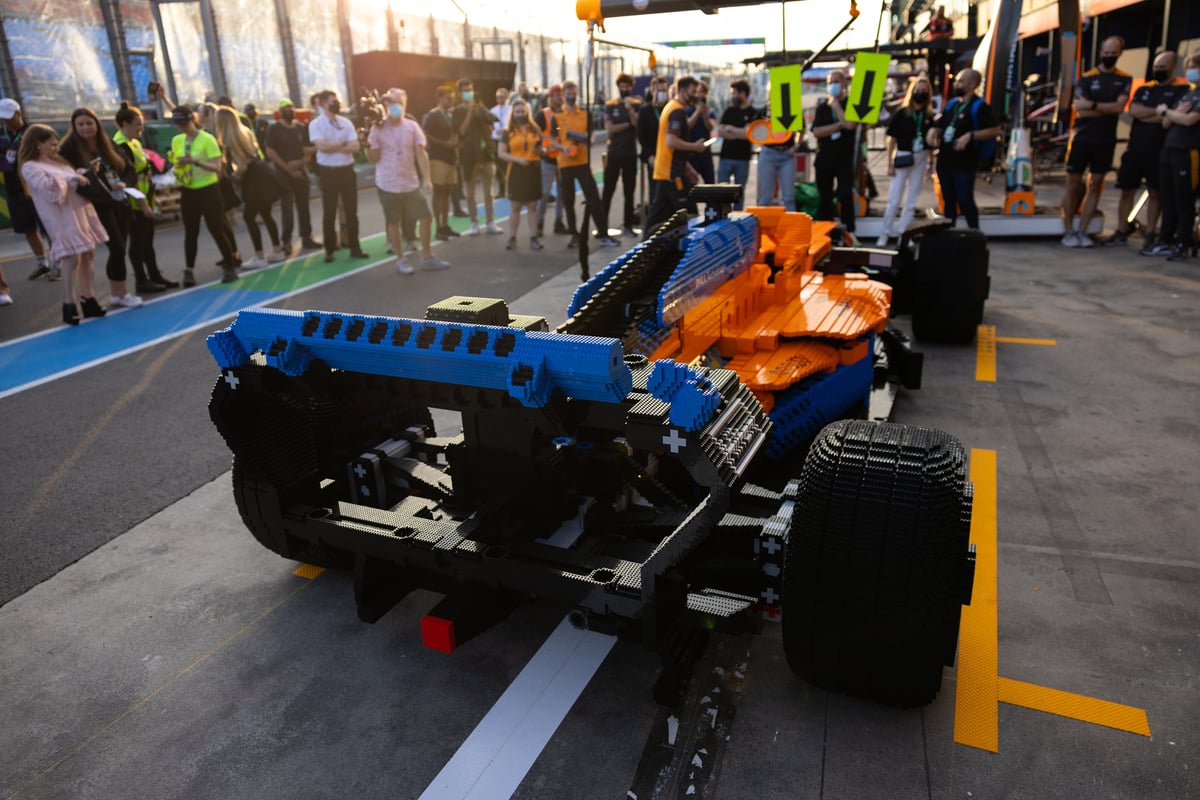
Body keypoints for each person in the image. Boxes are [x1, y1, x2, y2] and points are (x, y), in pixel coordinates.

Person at [17, 124, 108, 324]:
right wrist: (72, 177)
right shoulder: (30, 166)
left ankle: (88, 297)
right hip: (61, 217)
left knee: (87, 253)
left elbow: (72, 180)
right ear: (37, 145)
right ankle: (69, 303)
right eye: (51, 144)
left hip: (79, 211)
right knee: (71, 258)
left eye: (56, 143)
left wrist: (86, 173)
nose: (55, 147)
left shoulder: (59, 162)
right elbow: (48, 189)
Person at [58, 107, 143, 308]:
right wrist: (93, 177)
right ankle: (121, 293)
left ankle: (117, 293)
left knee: (120, 246)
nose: (86, 128)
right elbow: (73, 182)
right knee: (117, 246)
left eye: (89, 123)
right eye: (81, 124)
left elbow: (129, 169)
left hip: (119, 199)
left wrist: (123, 182)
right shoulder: (69, 149)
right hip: (96, 205)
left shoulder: (107, 143)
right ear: (74, 127)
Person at [1106, 51, 1186, 247]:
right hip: (1135, 148)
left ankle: (1150, 232)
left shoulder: (1181, 89)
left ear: (1173, 67)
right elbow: (1134, 111)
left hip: (1159, 150)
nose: (1158, 70)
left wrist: (1154, 114)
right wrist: (1159, 111)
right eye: (1156, 67)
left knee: (1155, 193)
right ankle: (1122, 230)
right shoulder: (1144, 89)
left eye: (1163, 67)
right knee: (1126, 190)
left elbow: (1169, 118)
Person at [366, 88, 449, 274]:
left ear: (405, 104)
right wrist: (366, 144)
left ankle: (427, 257)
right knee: (393, 222)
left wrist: (427, 179)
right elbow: (373, 157)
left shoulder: (412, 126)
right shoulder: (377, 127)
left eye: (400, 103)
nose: (396, 107)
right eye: (392, 103)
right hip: (387, 183)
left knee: (426, 217)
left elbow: (421, 153)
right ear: (386, 104)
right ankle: (400, 259)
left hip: (410, 182)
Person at [1061, 36, 1131, 247]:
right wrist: (1105, 109)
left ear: (1120, 53)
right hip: (1081, 138)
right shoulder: (1086, 77)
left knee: (1096, 184)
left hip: (1105, 140)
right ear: (1101, 51)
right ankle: (1068, 231)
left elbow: (1119, 108)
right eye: (1106, 52)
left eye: (1113, 53)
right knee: (1073, 184)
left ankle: (1083, 231)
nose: (1109, 56)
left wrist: (1092, 105)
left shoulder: (1125, 78)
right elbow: (1080, 111)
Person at [168, 104, 240, 285]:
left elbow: (217, 168)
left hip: (208, 189)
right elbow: (175, 163)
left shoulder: (207, 139)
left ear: (192, 120)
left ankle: (230, 266)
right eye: (178, 124)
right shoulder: (177, 140)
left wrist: (195, 161)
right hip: (188, 190)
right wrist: (179, 166)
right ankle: (189, 270)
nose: (181, 127)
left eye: (184, 123)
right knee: (190, 232)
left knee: (216, 229)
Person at [113, 102, 177, 291]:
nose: (141, 128)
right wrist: (143, 205)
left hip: (145, 196)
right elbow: (130, 178)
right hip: (133, 203)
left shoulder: (135, 142)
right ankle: (141, 280)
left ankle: (155, 275)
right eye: (137, 124)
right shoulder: (121, 146)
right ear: (125, 124)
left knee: (147, 240)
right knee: (138, 242)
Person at [1143, 53, 1200, 262]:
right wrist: (1172, 113)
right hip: (1169, 149)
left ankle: (1183, 242)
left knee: (1184, 200)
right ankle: (1164, 240)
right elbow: (1166, 122)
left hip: (1189, 152)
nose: (1191, 71)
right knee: (1168, 198)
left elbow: (1188, 120)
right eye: (1189, 67)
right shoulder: (1188, 94)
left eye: (1195, 66)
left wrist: (1168, 111)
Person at [929, 68, 1001, 230]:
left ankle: (974, 234)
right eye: (957, 81)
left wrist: (971, 135)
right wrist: (934, 130)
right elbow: (943, 125)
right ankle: (949, 235)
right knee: (948, 201)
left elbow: (995, 130)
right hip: (945, 161)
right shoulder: (953, 104)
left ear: (973, 84)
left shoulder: (979, 106)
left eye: (961, 81)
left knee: (965, 199)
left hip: (964, 163)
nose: (957, 84)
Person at [551, 80, 619, 249]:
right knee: (569, 201)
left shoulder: (585, 113)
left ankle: (603, 233)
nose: (571, 96)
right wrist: (563, 147)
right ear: (563, 95)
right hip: (565, 163)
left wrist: (589, 140)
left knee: (594, 198)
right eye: (568, 93)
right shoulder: (558, 116)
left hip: (583, 162)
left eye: (574, 93)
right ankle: (574, 235)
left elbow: (591, 134)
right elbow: (554, 138)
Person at [216, 106, 286, 269]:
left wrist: (235, 177)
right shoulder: (244, 132)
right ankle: (277, 250)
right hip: (261, 173)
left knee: (249, 216)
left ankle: (259, 256)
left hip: (253, 178)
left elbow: (242, 165)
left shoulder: (229, 138)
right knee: (266, 214)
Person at [309, 90, 369, 263]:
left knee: (351, 211)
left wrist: (335, 145)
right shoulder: (316, 124)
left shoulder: (346, 122)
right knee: (329, 211)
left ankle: (355, 246)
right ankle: (329, 249)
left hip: (346, 170)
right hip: (328, 172)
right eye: (330, 101)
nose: (335, 104)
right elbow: (321, 146)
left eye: (336, 100)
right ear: (321, 104)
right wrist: (343, 143)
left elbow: (355, 146)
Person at [878, 75, 935, 245]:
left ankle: (904, 232)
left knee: (912, 198)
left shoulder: (929, 114)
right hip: (903, 155)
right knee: (894, 198)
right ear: (912, 92)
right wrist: (889, 162)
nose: (920, 94)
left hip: (921, 156)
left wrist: (931, 164)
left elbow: (931, 143)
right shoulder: (902, 112)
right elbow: (891, 139)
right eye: (917, 91)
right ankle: (885, 232)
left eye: (924, 91)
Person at [645, 76, 707, 235]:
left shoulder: (671, 107)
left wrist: (689, 168)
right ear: (682, 90)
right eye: (692, 92)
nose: (695, 96)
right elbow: (671, 141)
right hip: (672, 172)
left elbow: (675, 147)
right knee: (689, 211)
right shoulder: (677, 111)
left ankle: (644, 246)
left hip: (667, 169)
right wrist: (695, 147)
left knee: (657, 213)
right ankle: (695, 247)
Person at [0, 99, 53, 281]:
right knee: (28, 229)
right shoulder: (1, 134)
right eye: (3, 118)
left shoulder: (33, 132)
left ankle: (58, 262)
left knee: (48, 226)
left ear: (18, 114)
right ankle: (42, 264)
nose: (6, 121)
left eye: (9, 117)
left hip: (36, 188)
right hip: (14, 188)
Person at [265, 98, 322, 254]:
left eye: (291, 107)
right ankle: (287, 241)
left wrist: (300, 163)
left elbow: (306, 151)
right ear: (280, 112)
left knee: (303, 207)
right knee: (287, 208)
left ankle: (306, 238)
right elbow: (270, 151)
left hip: (300, 174)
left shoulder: (300, 128)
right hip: (283, 175)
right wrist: (287, 168)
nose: (288, 110)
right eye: (285, 108)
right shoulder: (274, 129)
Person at [810, 69, 858, 230]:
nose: (833, 85)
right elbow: (817, 131)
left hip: (844, 159)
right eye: (830, 83)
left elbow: (851, 125)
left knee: (845, 195)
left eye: (836, 82)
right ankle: (827, 230)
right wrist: (838, 125)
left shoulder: (850, 104)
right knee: (825, 197)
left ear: (844, 83)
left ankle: (849, 230)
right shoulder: (822, 107)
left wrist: (837, 108)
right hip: (824, 158)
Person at [453, 78, 502, 236]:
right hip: (468, 157)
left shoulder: (480, 106)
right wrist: (470, 112)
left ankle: (490, 222)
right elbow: (461, 131)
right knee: (470, 193)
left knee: (489, 192)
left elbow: (493, 119)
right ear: (460, 93)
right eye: (465, 90)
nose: (468, 93)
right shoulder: (458, 111)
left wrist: (480, 109)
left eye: (470, 89)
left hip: (486, 154)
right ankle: (474, 222)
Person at [497, 97, 544, 251]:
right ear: (513, 113)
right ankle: (512, 237)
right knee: (515, 205)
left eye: (522, 111)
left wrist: (541, 151)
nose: (520, 114)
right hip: (516, 170)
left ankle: (534, 237)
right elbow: (501, 153)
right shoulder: (508, 131)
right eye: (517, 111)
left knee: (532, 205)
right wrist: (518, 159)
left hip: (533, 169)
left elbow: (542, 148)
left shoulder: (535, 129)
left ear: (527, 112)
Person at [602, 72, 642, 237]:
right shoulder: (610, 104)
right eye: (621, 86)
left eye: (626, 86)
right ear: (618, 87)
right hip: (613, 153)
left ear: (631, 87)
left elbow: (638, 124)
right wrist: (627, 124)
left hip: (630, 153)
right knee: (608, 190)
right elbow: (610, 128)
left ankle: (628, 225)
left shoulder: (637, 104)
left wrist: (629, 109)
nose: (624, 89)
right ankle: (602, 225)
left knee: (629, 191)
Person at [422, 86, 461, 241]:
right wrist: (444, 144)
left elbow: (455, 133)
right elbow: (425, 133)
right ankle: (438, 227)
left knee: (447, 192)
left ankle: (445, 225)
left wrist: (455, 142)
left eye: (452, 98)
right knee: (438, 192)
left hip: (450, 157)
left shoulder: (449, 115)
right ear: (440, 98)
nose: (451, 100)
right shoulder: (433, 115)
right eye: (448, 97)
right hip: (437, 157)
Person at [717, 79, 757, 209]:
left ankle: (737, 219)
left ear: (743, 94)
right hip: (725, 158)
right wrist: (740, 132)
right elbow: (720, 131)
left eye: (734, 93)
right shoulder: (729, 111)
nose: (732, 96)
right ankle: (721, 218)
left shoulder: (753, 113)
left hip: (742, 159)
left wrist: (731, 129)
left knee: (738, 194)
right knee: (721, 192)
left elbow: (748, 134)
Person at [536, 84, 567, 238]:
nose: (559, 97)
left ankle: (559, 222)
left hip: (563, 159)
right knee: (544, 193)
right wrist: (539, 149)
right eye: (556, 95)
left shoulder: (566, 113)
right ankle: (539, 223)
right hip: (548, 159)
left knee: (562, 193)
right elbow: (535, 133)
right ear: (551, 97)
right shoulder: (543, 115)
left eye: (561, 94)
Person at [638, 75, 671, 215]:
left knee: (671, 194)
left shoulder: (670, 108)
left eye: (664, 90)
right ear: (652, 90)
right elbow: (641, 136)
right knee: (655, 194)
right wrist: (650, 156)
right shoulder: (645, 110)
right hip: (654, 159)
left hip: (669, 158)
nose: (661, 93)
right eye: (659, 90)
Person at [686, 81, 718, 184]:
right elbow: (687, 127)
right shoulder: (688, 111)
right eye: (697, 92)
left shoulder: (710, 111)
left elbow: (711, 127)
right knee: (691, 185)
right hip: (692, 154)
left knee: (710, 184)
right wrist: (697, 112)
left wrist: (705, 116)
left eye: (702, 92)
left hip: (706, 154)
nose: (699, 94)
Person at [490, 87, 512, 197]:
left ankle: (511, 189)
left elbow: (512, 125)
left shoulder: (511, 109)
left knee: (508, 165)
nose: (500, 99)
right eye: (498, 97)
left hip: (507, 140)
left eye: (502, 97)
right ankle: (502, 190)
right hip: (496, 140)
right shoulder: (493, 110)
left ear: (507, 97)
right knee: (498, 167)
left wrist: (504, 130)